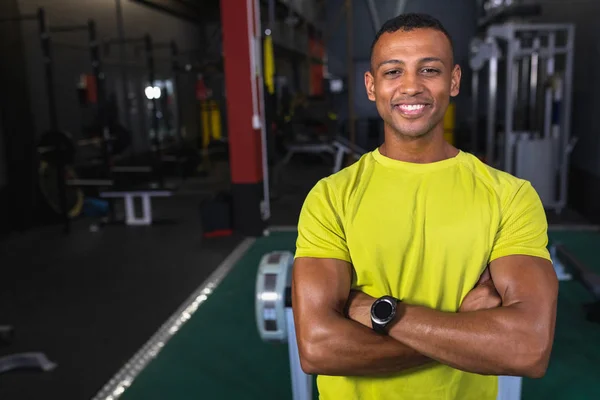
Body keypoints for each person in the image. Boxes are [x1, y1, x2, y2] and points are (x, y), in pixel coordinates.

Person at [291, 13, 558, 400]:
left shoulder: (510, 196)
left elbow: (528, 348)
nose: (411, 86)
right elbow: (318, 348)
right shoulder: (330, 197)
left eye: (429, 70)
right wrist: (466, 331)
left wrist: (381, 313)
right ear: (371, 86)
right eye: (393, 72)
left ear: (454, 80)